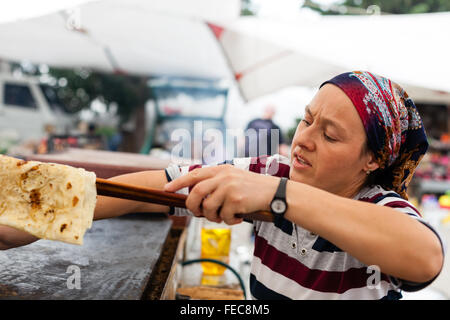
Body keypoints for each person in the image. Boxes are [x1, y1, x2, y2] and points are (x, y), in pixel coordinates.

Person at [0, 71, 445, 300]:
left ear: (373, 159)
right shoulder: (271, 170)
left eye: (329, 135)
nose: (304, 139)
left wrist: (280, 198)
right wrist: (25, 209)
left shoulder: (377, 206)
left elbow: (424, 258)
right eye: (307, 120)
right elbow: (166, 186)